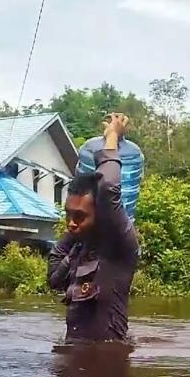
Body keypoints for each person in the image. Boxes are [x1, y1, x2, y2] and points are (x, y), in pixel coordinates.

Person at [48, 113, 140, 342]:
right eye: (68, 214)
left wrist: (112, 138)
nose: (70, 223)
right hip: (71, 366)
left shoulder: (121, 245)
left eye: (79, 216)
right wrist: (74, 231)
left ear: (101, 214)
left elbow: (108, 187)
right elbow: (53, 279)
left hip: (107, 366)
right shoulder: (78, 248)